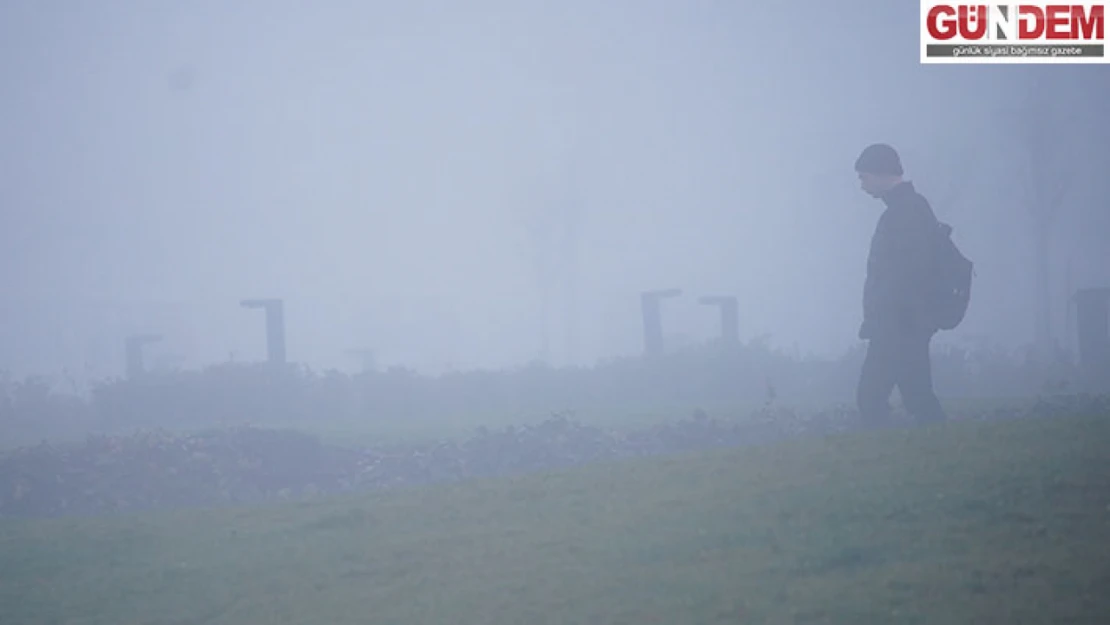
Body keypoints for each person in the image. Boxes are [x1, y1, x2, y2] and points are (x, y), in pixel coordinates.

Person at [854, 143, 947, 426]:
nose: (862, 185)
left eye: (864, 177)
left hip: (898, 323)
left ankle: (880, 457)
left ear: (883, 174)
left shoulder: (905, 213)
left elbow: (905, 274)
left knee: (870, 396)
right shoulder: (909, 209)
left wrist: (884, 318)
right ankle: (936, 449)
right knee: (918, 395)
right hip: (907, 322)